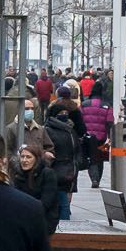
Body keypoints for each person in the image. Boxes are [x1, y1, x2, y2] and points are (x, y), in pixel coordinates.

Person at [43, 88, 84, 221]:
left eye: (66, 113)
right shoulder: (74, 109)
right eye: (62, 113)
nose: (65, 114)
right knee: (65, 194)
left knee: (62, 196)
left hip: (67, 163)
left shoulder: (52, 106)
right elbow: (82, 128)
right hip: (63, 164)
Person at [13, 137, 60, 232]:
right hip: (23, 218)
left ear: (36, 159)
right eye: (22, 157)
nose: (24, 160)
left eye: (28, 157)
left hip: (44, 219)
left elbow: (46, 203)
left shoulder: (47, 174)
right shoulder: (18, 175)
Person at [79, 83, 112, 189]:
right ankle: (98, 179)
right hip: (101, 137)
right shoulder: (106, 105)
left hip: (88, 137)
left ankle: (94, 178)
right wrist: (109, 136)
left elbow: (79, 120)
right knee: (100, 158)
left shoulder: (84, 104)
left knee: (91, 157)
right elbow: (110, 122)